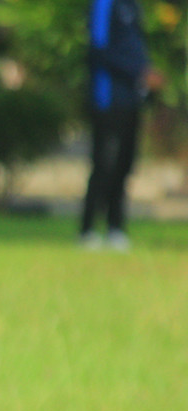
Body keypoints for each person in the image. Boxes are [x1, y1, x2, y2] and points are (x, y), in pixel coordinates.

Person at [80, 0, 164, 250]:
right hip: (107, 97)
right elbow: (98, 49)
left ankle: (115, 227)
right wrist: (138, 71)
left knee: (124, 164)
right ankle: (87, 229)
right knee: (104, 162)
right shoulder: (104, 4)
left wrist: (146, 75)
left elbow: (133, 46)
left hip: (131, 99)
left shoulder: (134, 6)